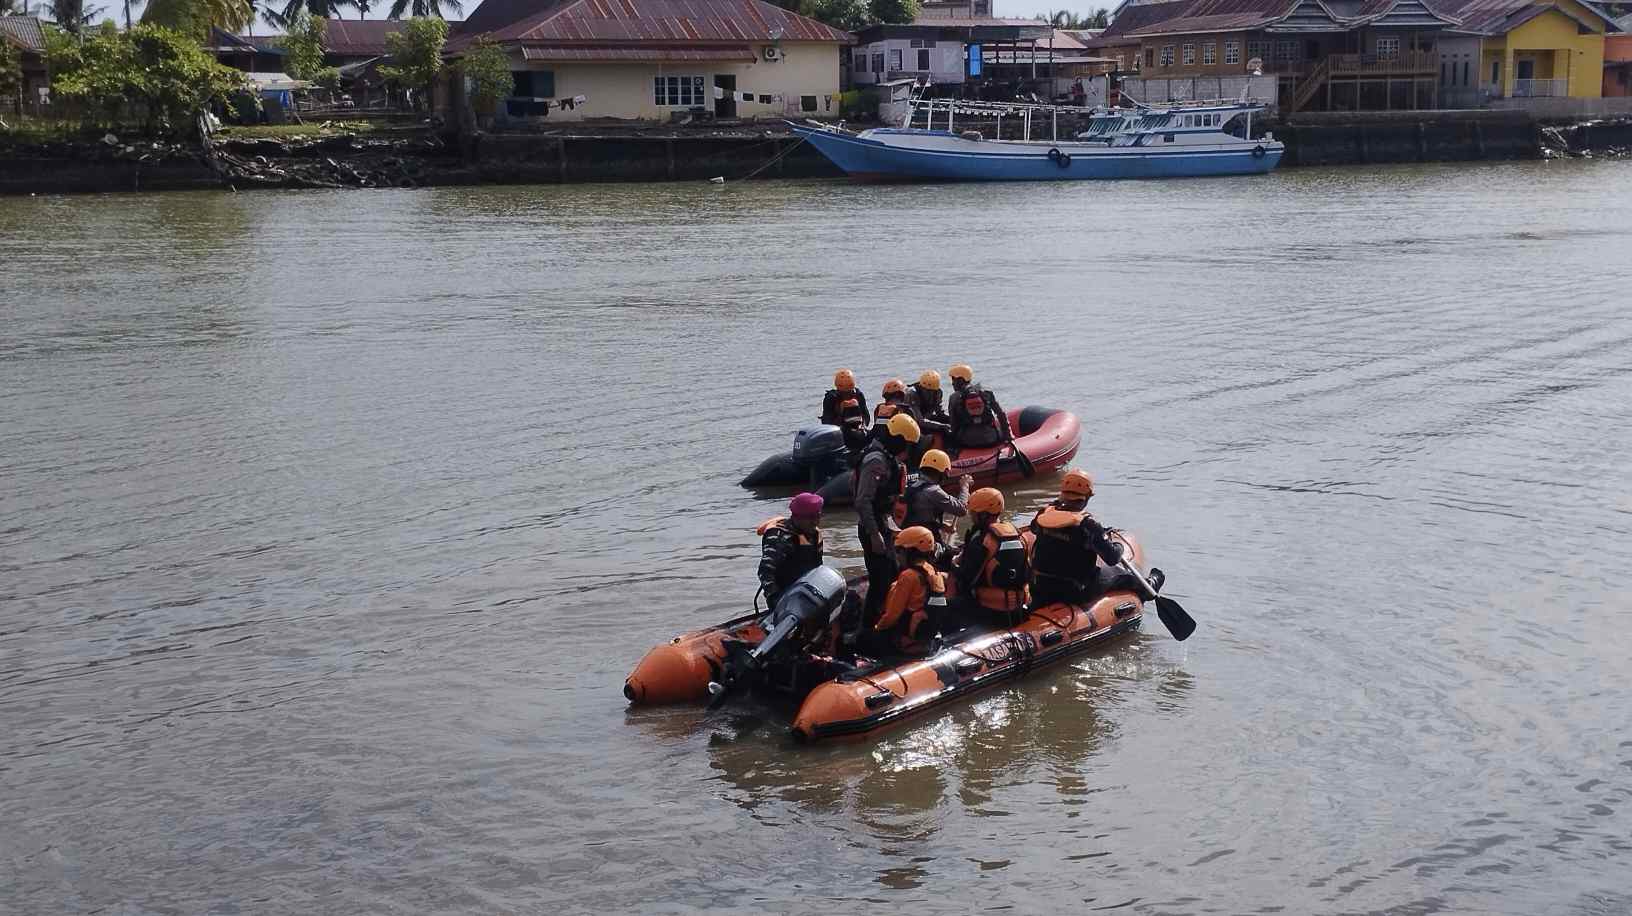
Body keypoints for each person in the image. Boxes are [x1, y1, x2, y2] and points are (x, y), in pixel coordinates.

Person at [854, 412, 920, 625]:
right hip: (872, 526)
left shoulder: (888, 459)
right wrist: (875, 535)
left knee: (891, 572)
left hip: (883, 521)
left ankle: (885, 618)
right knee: (880, 579)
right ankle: (868, 628)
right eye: (906, 445)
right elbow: (863, 501)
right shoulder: (876, 461)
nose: (908, 451)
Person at [1027, 468, 1123, 607]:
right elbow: (1112, 558)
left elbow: (1034, 529)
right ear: (1088, 496)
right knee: (1119, 574)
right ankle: (1151, 584)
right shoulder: (1088, 525)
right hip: (1073, 593)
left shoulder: (1044, 514)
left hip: (1039, 588)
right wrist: (1119, 546)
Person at [954, 487, 1031, 624]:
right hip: (1017, 604)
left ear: (983, 515)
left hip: (989, 608)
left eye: (974, 513)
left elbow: (967, 579)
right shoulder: (1016, 534)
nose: (971, 516)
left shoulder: (982, 541)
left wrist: (953, 565)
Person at [871, 526, 948, 657]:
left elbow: (892, 615)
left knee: (862, 639)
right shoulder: (933, 571)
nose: (898, 556)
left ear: (910, 552)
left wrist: (877, 628)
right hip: (925, 632)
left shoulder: (908, 576)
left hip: (907, 635)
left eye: (899, 551)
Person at [756, 492, 825, 610]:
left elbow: (818, 567)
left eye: (818, 516)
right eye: (810, 518)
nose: (815, 522)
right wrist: (774, 598)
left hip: (807, 589)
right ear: (796, 517)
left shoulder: (814, 534)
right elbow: (765, 571)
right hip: (784, 594)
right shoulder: (780, 537)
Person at [896, 448, 970, 551]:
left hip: (907, 537)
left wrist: (942, 526)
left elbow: (917, 515)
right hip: (924, 541)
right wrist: (965, 486)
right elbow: (961, 509)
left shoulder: (911, 484)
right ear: (942, 472)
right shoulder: (934, 491)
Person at [946, 363, 1011, 452]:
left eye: (953, 379)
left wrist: (954, 445)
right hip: (991, 439)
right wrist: (1008, 436)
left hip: (967, 442)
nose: (952, 383)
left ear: (960, 380)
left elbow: (954, 424)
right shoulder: (986, 392)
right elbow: (1001, 414)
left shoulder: (953, 398)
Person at [820, 368, 870, 459]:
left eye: (849, 392)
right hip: (838, 431)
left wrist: (862, 426)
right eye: (844, 393)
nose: (847, 396)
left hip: (857, 429)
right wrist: (841, 416)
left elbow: (866, 415)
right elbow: (826, 421)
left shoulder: (858, 395)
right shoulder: (831, 398)